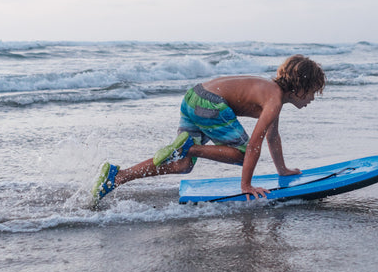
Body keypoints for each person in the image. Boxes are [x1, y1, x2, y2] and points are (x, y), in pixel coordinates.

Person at [91, 54, 325, 205]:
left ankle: (118, 177)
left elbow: (273, 137)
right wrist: (246, 185)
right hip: (211, 102)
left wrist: (282, 169)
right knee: (244, 154)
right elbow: (254, 145)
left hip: (193, 96)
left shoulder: (271, 94)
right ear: (299, 87)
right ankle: (190, 147)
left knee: (183, 164)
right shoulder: (273, 100)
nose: (313, 98)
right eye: (313, 91)